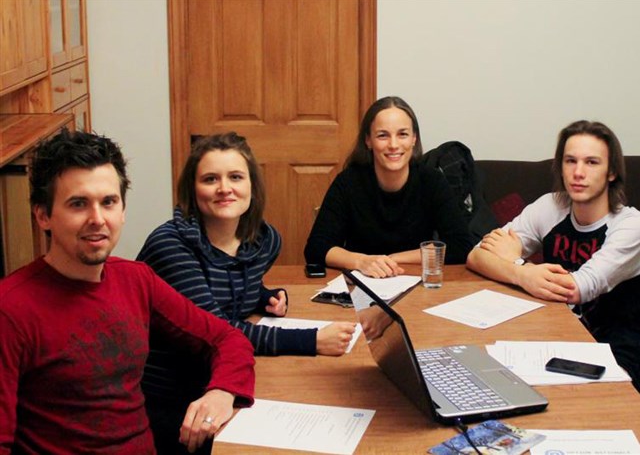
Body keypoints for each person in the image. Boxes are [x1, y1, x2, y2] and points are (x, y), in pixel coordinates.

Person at [0, 129, 255, 454]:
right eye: (78, 204)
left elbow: (227, 339)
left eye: (108, 202)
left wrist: (222, 392)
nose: (97, 219)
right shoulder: (10, 309)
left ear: (122, 210)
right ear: (43, 216)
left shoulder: (135, 280)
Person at [137, 132, 356, 453]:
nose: (224, 188)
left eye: (236, 177)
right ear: (192, 189)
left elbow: (226, 289)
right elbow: (217, 329)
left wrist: (264, 297)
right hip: (171, 400)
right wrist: (312, 340)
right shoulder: (171, 245)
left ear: (252, 185)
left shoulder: (263, 241)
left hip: (223, 382)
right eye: (210, 179)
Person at [466, 120, 640, 390]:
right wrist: (521, 272)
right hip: (553, 337)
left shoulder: (631, 226)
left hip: (612, 352)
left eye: (591, 162)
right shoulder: (550, 206)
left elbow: (575, 289)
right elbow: (476, 255)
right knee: (485, 378)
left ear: (611, 172)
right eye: (570, 161)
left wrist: (516, 263)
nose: (578, 172)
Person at [304, 96, 474, 278]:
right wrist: (361, 261)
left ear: (414, 139)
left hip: (415, 281)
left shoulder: (432, 181)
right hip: (361, 283)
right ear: (368, 140)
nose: (393, 145)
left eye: (402, 134)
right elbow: (316, 248)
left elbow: (461, 246)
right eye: (382, 135)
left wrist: (391, 259)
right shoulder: (348, 182)